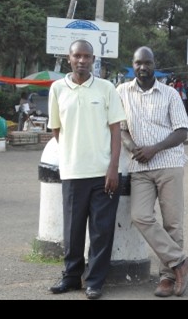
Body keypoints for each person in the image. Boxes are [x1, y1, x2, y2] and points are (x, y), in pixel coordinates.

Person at [47, 39, 126, 300]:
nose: (82, 60)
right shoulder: (57, 89)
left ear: (94, 59)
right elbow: (57, 129)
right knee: (73, 230)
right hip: (72, 173)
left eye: (87, 56)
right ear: (69, 58)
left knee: (101, 231)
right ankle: (71, 277)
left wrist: (113, 168)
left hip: (103, 174)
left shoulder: (106, 88)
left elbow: (116, 130)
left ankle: (94, 282)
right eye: (77, 56)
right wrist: (73, 154)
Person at [117, 46, 188, 297]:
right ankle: (180, 262)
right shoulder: (121, 92)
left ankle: (167, 278)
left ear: (154, 64)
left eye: (147, 63)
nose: (142, 67)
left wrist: (155, 148)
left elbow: (182, 131)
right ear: (133, 64)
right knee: (140, 215)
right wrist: (132, 148)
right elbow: (120, 128)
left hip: (169, 163)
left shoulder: (170, 94)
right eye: (138, 62)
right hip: (140, 166)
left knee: (173, 222)